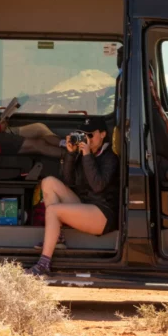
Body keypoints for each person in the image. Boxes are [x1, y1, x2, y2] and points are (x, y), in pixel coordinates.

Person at [27, 116, 119, 276]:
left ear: (103, 134)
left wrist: (86, 155)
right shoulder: (82, 153)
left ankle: (43, 264)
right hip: (84, 204)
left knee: (53, 211)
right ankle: (58, 236)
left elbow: (98, 186)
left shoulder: (110, 157)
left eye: (90, 135)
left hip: (102, 212)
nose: (86, 139)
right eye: (83, 135)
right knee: (48, 182)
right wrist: (70, 154)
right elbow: (68, 182)